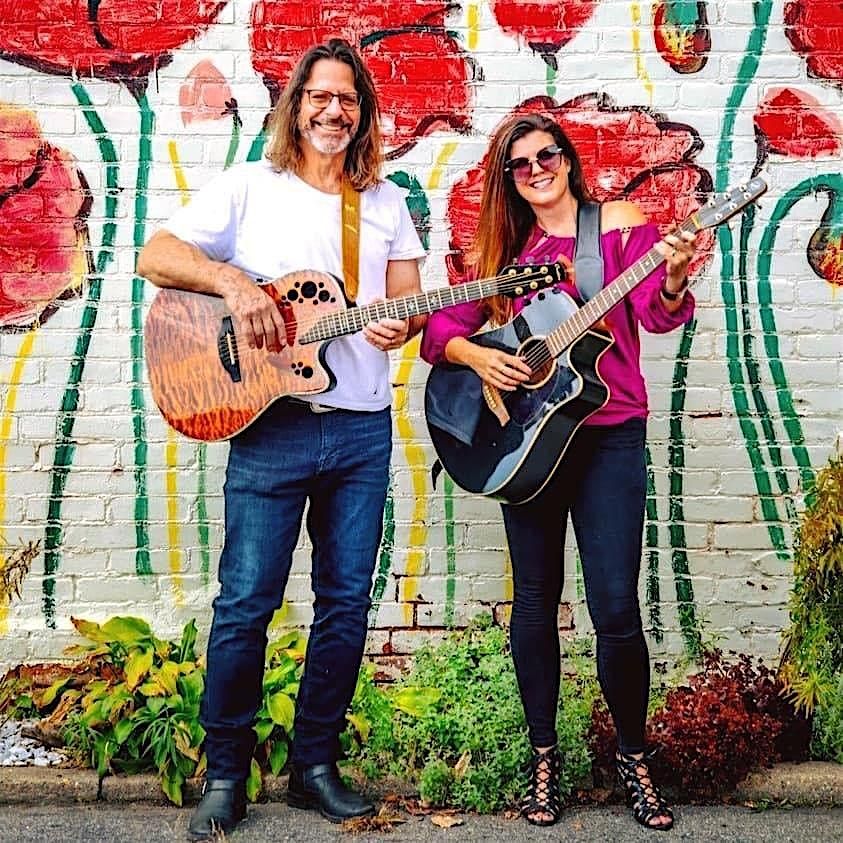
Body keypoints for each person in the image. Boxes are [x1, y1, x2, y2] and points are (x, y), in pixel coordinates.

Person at [137, 38, 426, 838]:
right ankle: (226, 773)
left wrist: (399, 326)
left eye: (348, 99)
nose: (334, 110)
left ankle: (314, 767)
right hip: (270, 429)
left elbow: (404, 300)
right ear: (295, 105)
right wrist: (232, 283)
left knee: (344, 604)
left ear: (363, 113)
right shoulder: (248, 187)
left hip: (360, 430)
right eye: (320, 96)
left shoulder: (385, 202)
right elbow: (156, 256)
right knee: (245, 603)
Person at [420, 113, 697, 831]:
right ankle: (543, 758)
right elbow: (441, 331)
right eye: (520, 164)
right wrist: (479, 357)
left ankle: (633, 758)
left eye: (547, 155)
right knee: (535, 602)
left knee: (615, 607)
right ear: (509, 180)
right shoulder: (504, 250)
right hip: (528, 444)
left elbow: (657, 314)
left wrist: (670, 275)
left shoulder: (618, 229)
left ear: (568, 160)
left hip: (608, 438)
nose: (536, 169)